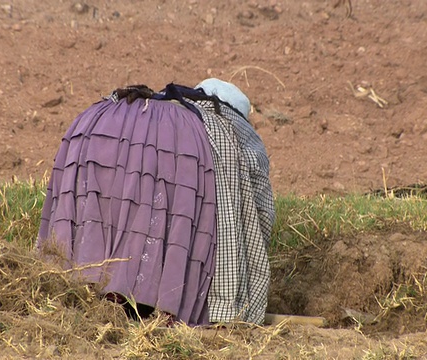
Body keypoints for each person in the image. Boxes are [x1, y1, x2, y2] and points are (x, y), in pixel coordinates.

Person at [37, 78, 275, 326]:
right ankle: (156, 305)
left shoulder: (134, 109)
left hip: (95, 129)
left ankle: (88, 288)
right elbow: (262, 211)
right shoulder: (220, 131)